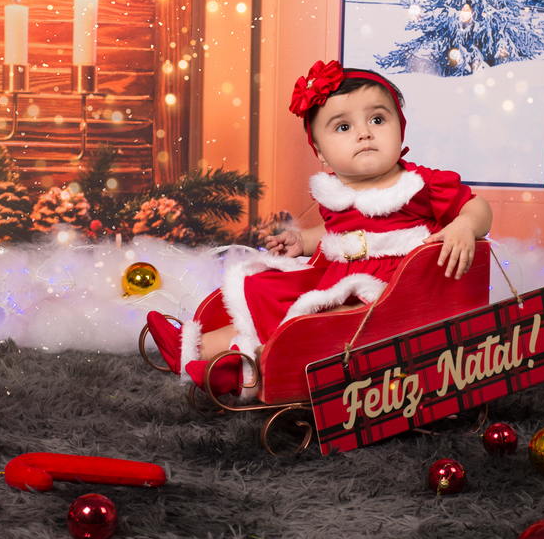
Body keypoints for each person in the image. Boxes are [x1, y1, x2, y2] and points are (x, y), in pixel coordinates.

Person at [145, 59, 493, 396]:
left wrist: (464, 225)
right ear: (323, 155)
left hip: (394, 291)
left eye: (377, 119)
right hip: (339, 278)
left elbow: (478, 207)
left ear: (400, 129)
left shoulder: (421, 184)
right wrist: (302, 241)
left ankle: (244, 370)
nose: (364, 133)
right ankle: (198, 350)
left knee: (324, 321)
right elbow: (336, 237)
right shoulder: (335, 194)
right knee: (266, 293)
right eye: (344, 127)